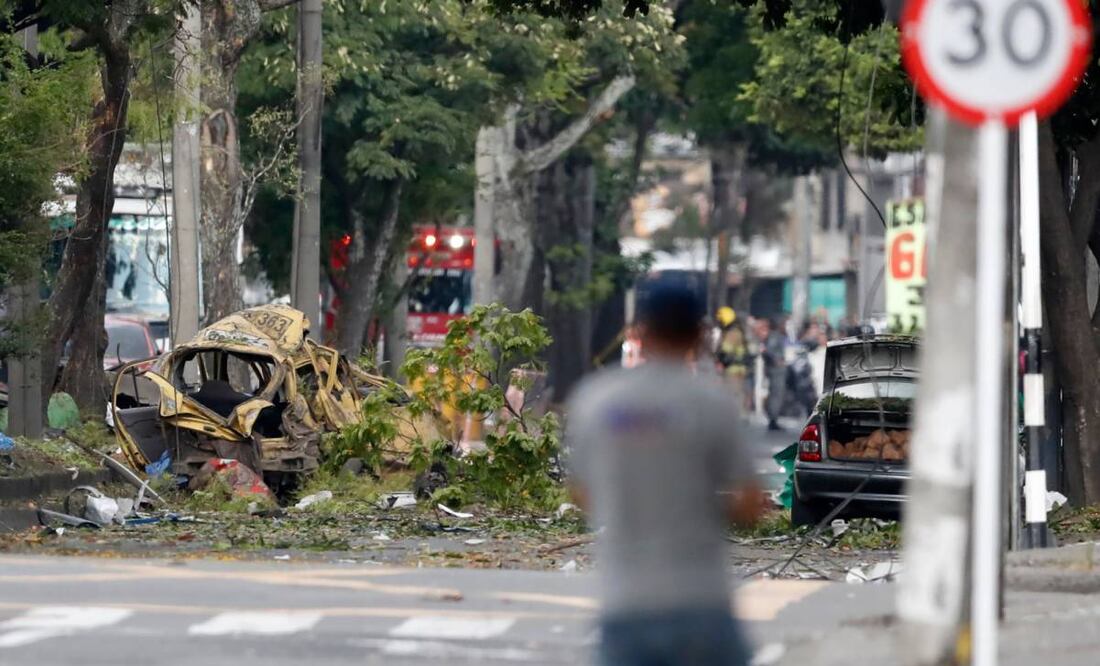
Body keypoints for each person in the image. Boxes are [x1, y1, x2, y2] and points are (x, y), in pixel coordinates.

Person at [566, 284, 766, 666]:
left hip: (626, 604)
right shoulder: (713, 403)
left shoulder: (596, 399)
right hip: (701, 603)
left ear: (639, 332)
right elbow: (750, 504)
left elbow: (581, 493)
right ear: (699, 334)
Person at [753, 317, 787, 431]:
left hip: (774, 369)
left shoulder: (774, 336)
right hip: (776, 370)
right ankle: (773, 419)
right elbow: (770, 352)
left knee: (776, 394)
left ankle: (774, 418)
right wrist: (777, 360)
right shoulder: (774, 336)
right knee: (776, 395)